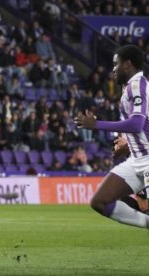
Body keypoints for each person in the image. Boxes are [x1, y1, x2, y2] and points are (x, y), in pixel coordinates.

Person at [74, 45, 149, 229]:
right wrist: (129, 146)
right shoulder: (130, 88)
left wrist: (96, 124)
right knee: (100, 201)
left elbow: (137, 124)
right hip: (137, 158)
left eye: (116, 64)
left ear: (128, 64)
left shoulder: (137, 85)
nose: (113, 69)